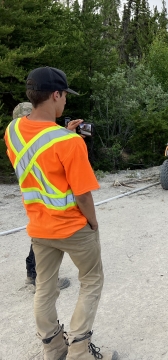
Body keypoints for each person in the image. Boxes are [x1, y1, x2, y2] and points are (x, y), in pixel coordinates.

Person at [4, 67, 117, 360]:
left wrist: (62, 134)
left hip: (39, 227)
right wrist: (93, 222)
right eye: (64, 95)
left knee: (45, 286)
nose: (65, 101)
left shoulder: (12, 131)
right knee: (92, 281)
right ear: (55, 94)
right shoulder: (70, 142)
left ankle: (53, 348)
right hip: (72, 227)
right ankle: (80, 350)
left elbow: (37, 152)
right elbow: (82, 193)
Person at [12, 102, 71, 293]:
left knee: (39, 235)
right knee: (46, 236)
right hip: (45, 195)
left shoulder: (16, 138)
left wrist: (66, 133)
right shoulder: (31, 139)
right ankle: (42, 279)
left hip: (34, 195)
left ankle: (32, 272)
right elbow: (46, 150)